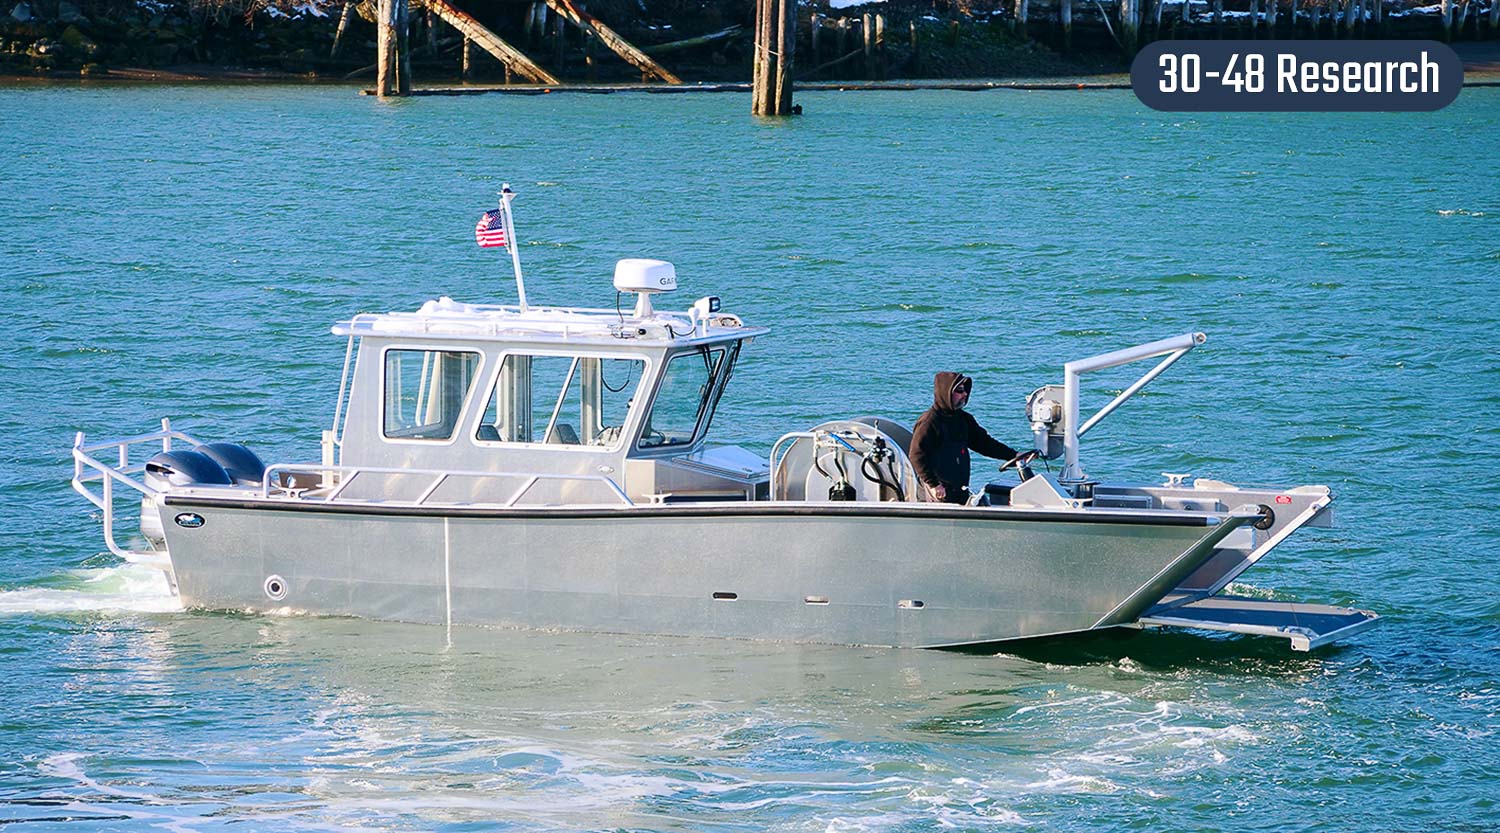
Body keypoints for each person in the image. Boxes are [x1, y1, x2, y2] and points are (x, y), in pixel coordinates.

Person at [909, 372, 1019, 505]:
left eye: (965, 390)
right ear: (946, 393)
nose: (965, 394)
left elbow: (984, 443)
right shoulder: (929, 422)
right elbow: (916, 455)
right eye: (960, 391)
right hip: (937, 492)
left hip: (958, 490)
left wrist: (1014, 456)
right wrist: (933, 484)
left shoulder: (964, 419)